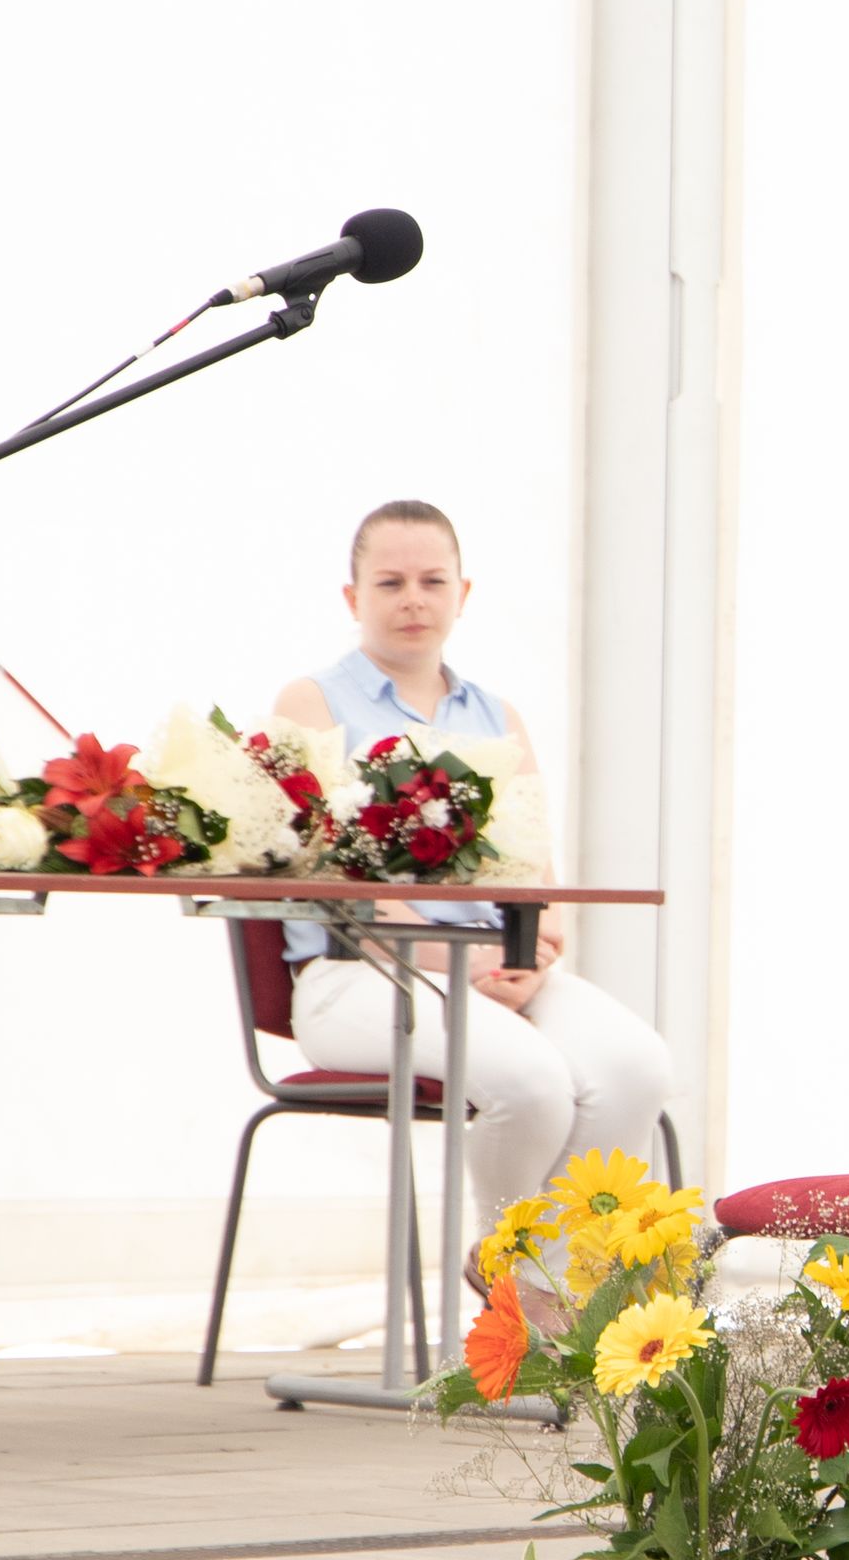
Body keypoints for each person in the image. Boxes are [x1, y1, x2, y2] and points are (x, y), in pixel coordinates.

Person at [273, 500, 674, 1216]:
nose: (414, 599)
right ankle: (509, 1267)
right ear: (352, 598)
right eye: (390, 583)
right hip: (359, 975)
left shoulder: (496, 716)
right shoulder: (312, 703)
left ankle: (568, 1276)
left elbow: (538, 876)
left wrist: (530, 957)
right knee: (531, 1083)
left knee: (635, 1067)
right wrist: (464, 960)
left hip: (495, 970)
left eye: (433, 581)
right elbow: (328, 877)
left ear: (462, 593)